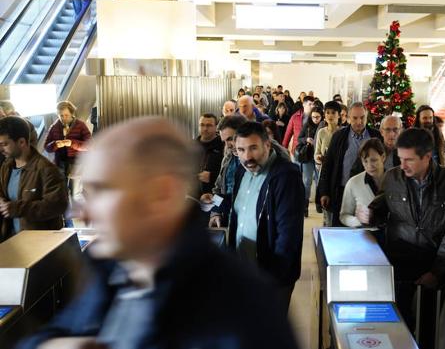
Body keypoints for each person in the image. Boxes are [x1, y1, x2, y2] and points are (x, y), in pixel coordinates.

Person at [16, 117, 299, 349]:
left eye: (102, 191)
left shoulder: (243, 307)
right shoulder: (108, 271)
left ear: (160, 196)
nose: (81, 213)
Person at [368, 128, 445, 348]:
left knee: (428, 330)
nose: (403, 166)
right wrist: (369, 215)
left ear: (427, 156)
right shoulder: (393, 178)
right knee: (397, 329)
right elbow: (380, 211)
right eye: (400, 159)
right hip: (398, 268)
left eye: (409, 160)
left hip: (432, 267)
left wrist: (437, 271)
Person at [229, 122, 304, 315]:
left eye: (253, 148)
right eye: (241, 150)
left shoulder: (286, 176)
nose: (247, 156)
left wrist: (274, 278)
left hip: (271, 277)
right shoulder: (241, 171)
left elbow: (288, 235)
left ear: (267, 145)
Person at [0, 117, 68, 241]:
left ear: (21, 142)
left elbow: (58, 205)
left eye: (4, 144)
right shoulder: (6, 167)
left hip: (39, 244)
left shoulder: (46, 169)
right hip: (13, 242)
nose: (1, 149)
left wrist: (18, 208)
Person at [318, 102, 382, 227]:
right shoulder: (339, 137)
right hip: (342, 191)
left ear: (367, 116)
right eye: (355, 118)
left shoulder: (376, 136)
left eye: (362, 117)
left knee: (365, 229)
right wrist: (324, 191)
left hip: (369, 192)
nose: (359, 122)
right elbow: (328, 164)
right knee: (340, 229)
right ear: (347, 118)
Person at [43, 101, 92, 209]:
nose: (63, 118)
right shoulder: (54, 127)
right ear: (57, 114)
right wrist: (55, 144)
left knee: (76, 192)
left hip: (77, 162)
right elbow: (46, 146)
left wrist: (72, 143)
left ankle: (85, 212)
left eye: (66, 115)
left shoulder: (80, 125)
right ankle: (66, 215)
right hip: (60, 162)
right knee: (62, 191)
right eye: (61, 115)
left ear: (72, 114)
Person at [340, 139, 385, 227]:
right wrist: (358, 220)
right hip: (365, 235)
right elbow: (344, 216)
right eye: (365, 161)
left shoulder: (394, 181)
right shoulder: (353, 183)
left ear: (383, 157)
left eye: (374, 160)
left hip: (391, 237)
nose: (369, 165)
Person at [315, 101, 341, 225]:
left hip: (338, 173)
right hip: (324, 172)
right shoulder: (321, 132)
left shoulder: (343, 133)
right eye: (327, 113)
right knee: (325, 206)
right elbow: (316, 154)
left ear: (339, 115)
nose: (330, 115)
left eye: (333, 113)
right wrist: (319, 157)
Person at [297, 107, 323, 217]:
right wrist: (306, 140)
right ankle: (304, 206)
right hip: (307, 156)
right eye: (313, 117)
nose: (315, 119)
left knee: (319, 181)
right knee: (307, 181)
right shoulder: (307, 125)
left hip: (319, 157)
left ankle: (318, 203)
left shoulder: (324, 126)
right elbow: (299, 138)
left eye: (317, 117)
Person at [196, 113, 224, 195]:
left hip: (214, 194)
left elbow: (230, 173)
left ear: (216, 127)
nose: (205, 128)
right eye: (202, 125)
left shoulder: (223, 146)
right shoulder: (191, 146)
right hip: (194, 195)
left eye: (209, 125)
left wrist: (212, 177)